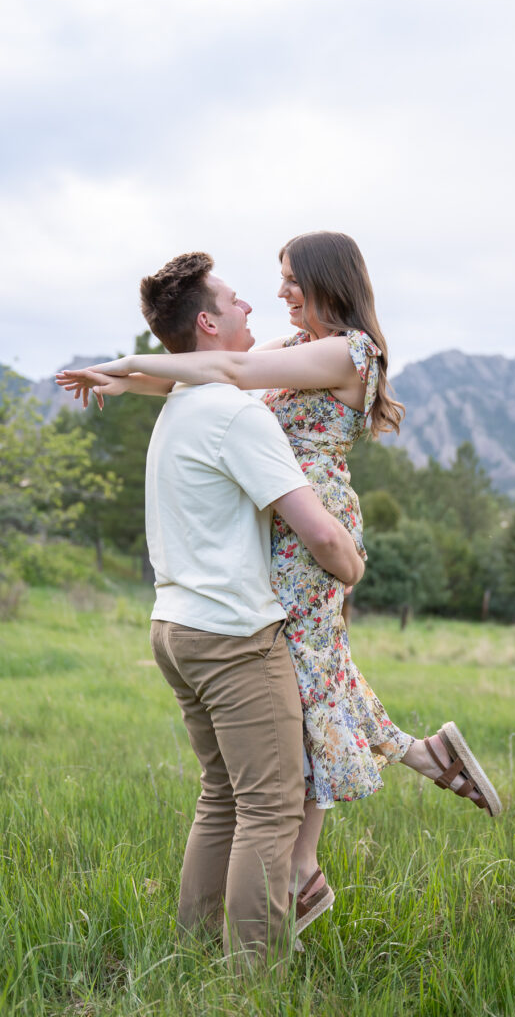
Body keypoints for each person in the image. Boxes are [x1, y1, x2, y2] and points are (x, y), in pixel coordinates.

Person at [57, 233, 502, 939]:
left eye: (291, 278)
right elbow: (205, 376)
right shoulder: (300, 349)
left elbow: (228, 365)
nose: (281, 292)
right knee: (312, 671)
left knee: (307, 675)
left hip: (307, 516)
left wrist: (123, 359)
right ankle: (416, 760)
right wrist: (126, 382)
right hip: (281, 514)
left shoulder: (348, 350)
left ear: (327, 279)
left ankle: (301, 863)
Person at [91, 252, 365, 968]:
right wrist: (350, 565)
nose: (255, 309)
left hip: (173, 627)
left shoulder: (185, 404)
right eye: (239, 301)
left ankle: (190, 958)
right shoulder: (236, 413)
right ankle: (252, 978)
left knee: (222, 798)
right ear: (208, 320)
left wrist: (124, 377)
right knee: (272, 809)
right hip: (233, 638)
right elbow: (317, 529)